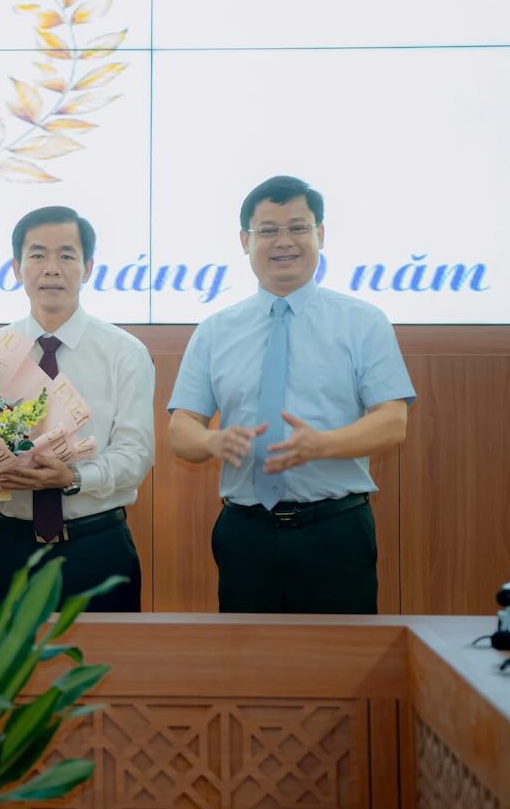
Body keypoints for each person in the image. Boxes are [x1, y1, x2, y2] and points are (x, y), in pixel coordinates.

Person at [167, 175, 414, 614]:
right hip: (245, 533)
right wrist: (212, 441)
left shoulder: (363, 322)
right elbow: (181, 429)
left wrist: (323, 444)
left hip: (335, 530)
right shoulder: (215, 331)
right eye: (268, 230)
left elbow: (393, 420)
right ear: (245, 241)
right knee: (248, 673)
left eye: (298, 227)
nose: (284, 241)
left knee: (342, 672)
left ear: (320, 234)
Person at [0, 206, 154, 612]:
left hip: (97, 549)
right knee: (7, 672)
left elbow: (136, 454)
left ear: (88, 267)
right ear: (16, 268)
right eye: (37, 255)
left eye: (67, 256)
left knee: (106, 671)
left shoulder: (124, 353)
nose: (51, 268)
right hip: (10, 548)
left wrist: (73, 478)